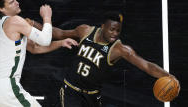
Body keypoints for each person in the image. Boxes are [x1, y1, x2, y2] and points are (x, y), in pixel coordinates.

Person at [28, 12, 180, 107]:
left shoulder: (119, 49)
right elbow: (60, 33)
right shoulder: (85, 31)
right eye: (111, 29)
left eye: (118, 31)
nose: (115, 33)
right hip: (71, 91)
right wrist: (35, 25)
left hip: (92, 96)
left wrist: (167, 75)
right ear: (102, 26)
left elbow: (146, 66)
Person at [0, 0, 78, 107]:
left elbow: (34, 48)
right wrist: (47, 17)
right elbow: (45, 40)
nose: (17, 3)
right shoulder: (14, 21)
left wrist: (60, 43)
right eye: (11, 2)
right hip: (6, 86)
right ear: (2, 9)